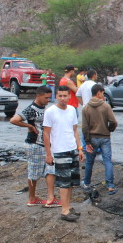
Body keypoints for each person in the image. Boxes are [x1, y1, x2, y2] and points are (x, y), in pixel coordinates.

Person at [9, 86, 59, 208]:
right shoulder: (31, 109)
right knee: (34, 172)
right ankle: (32, 198)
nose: (48, 100)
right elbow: (14, 120)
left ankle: (49, 197)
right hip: (34, 144)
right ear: (38, 96)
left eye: (49, 97)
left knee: (50, 170)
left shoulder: (44, 108)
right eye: (46, 98)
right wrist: (29, 126)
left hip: (44, 144)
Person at [43, 86, 85, 222]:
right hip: (59, 150)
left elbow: (74, 130)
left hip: (72, 148)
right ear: (56, 96)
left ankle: (68, 206)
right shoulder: (50, 112)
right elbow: (46, 133)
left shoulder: (72, 110)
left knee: (72, 181)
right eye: (60, 96)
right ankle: (64, 210)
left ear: (69, 96)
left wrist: (79, 148)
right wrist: (48, 154)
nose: (62, 98)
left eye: (65, 96)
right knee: (63, 181)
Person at [82, 84, 118, 195]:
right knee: (107, 161)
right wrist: (109, 129)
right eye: (102, 93)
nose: (103, 95)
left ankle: (86, 183)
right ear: (98, 93)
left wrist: (87, 142)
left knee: (89, 162)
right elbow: (114, 122)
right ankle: (110, 186)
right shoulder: (106, 106)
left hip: (92, 138)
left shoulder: (86, 108)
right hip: (105, 137)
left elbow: (85, 127)